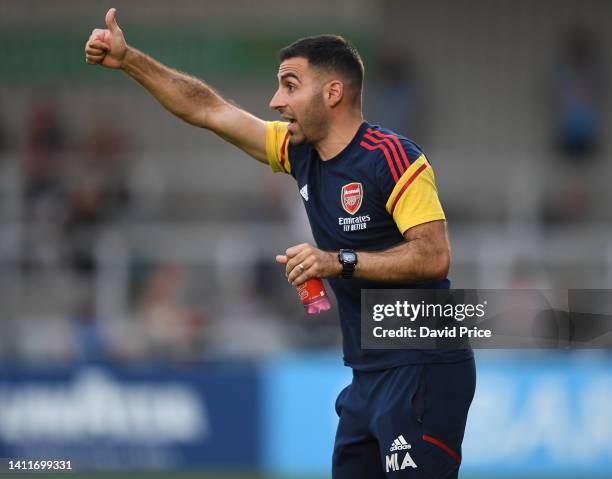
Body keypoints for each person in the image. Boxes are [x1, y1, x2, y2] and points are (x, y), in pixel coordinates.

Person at [85, 8, 475, 478]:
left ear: (333, 93)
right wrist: (129, 61)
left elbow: (434, 255)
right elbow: (208, 108)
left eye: (290, 85)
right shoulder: (300, 153)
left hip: (424, 366)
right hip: (366, 375)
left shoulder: (392, 157)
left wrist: (337, 261)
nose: (275, 100)